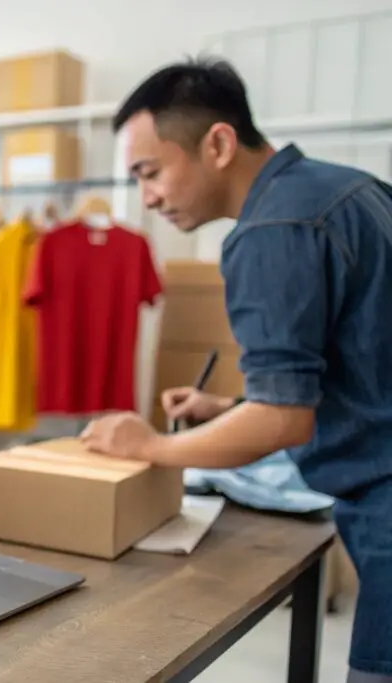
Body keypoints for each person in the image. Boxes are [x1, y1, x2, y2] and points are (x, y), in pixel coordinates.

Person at [78, 57, 392, 683]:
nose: (147, 198)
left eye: (151, 172)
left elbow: (282, 421)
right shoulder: (355, 191)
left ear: (217, 143)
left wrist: (152, 445)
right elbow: (366, 369)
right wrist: (228, 411)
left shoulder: (271, 229)